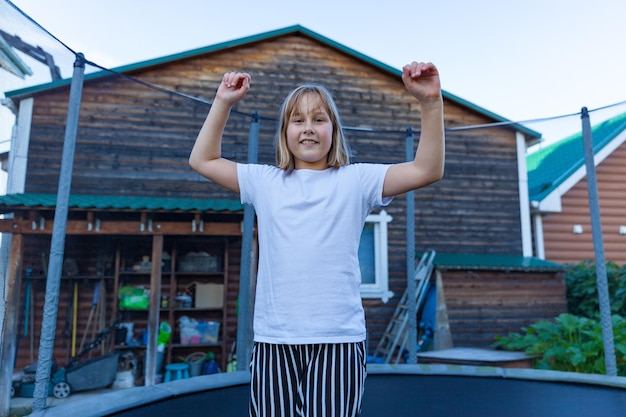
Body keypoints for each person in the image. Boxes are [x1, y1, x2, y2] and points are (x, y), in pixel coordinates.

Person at [189, 61, 445, 417]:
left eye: (319, 119)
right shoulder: (265, 182)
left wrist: (431, 103)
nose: (308, 128)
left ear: (333, 130)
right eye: (298, 120)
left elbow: (426, 169)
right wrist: (223, 102)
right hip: (274, 341)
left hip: (338, 340)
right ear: (284, 132)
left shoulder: (356, 181)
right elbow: (202, 159)